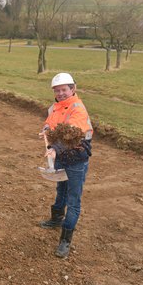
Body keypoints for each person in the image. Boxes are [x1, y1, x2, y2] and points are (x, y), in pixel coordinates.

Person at [39, 72, 93, 258]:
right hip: (61, 155)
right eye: (57, 90)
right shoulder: (55, 107)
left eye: (64, 89)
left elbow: (72, 133)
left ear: (73, 89)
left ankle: (65, 240)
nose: (60, 93)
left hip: (76, 158)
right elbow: (52, 123)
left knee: (73, 198)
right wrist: (46, 128)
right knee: (61, 188)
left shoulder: (78, 109)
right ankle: (56, 219)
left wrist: (54, 149)